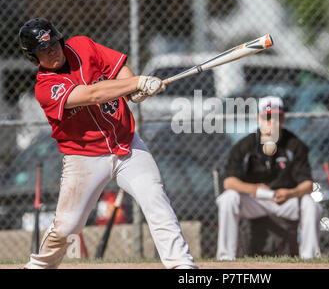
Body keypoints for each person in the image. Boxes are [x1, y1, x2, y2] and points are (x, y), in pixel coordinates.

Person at [18, 18, 197, 269]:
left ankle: (182, 265)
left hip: (126, 143)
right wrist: (137, 83)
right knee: (69, 225)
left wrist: (134, 85)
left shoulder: (82, 46)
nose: (52, 50)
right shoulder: (45, 88)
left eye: (54, 44)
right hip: (85, 157)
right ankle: (38, 266)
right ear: (33, 56)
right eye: (43, 49)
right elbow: (93, 94)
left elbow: (117, 66)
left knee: (154, 195)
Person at [216, 96, 321, 260]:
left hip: (285, 200)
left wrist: (290, 193)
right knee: (228, 199)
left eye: (276, 118)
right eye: (267, 117)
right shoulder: (245, 145)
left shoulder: (294, 144)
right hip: (255, 200)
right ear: (259, 118)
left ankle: (309, 258)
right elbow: (229, 182)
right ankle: (225, 257)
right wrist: (253, 189)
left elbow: (308, 185)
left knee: (310, 204)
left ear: (283, 119)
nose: (272, 123)